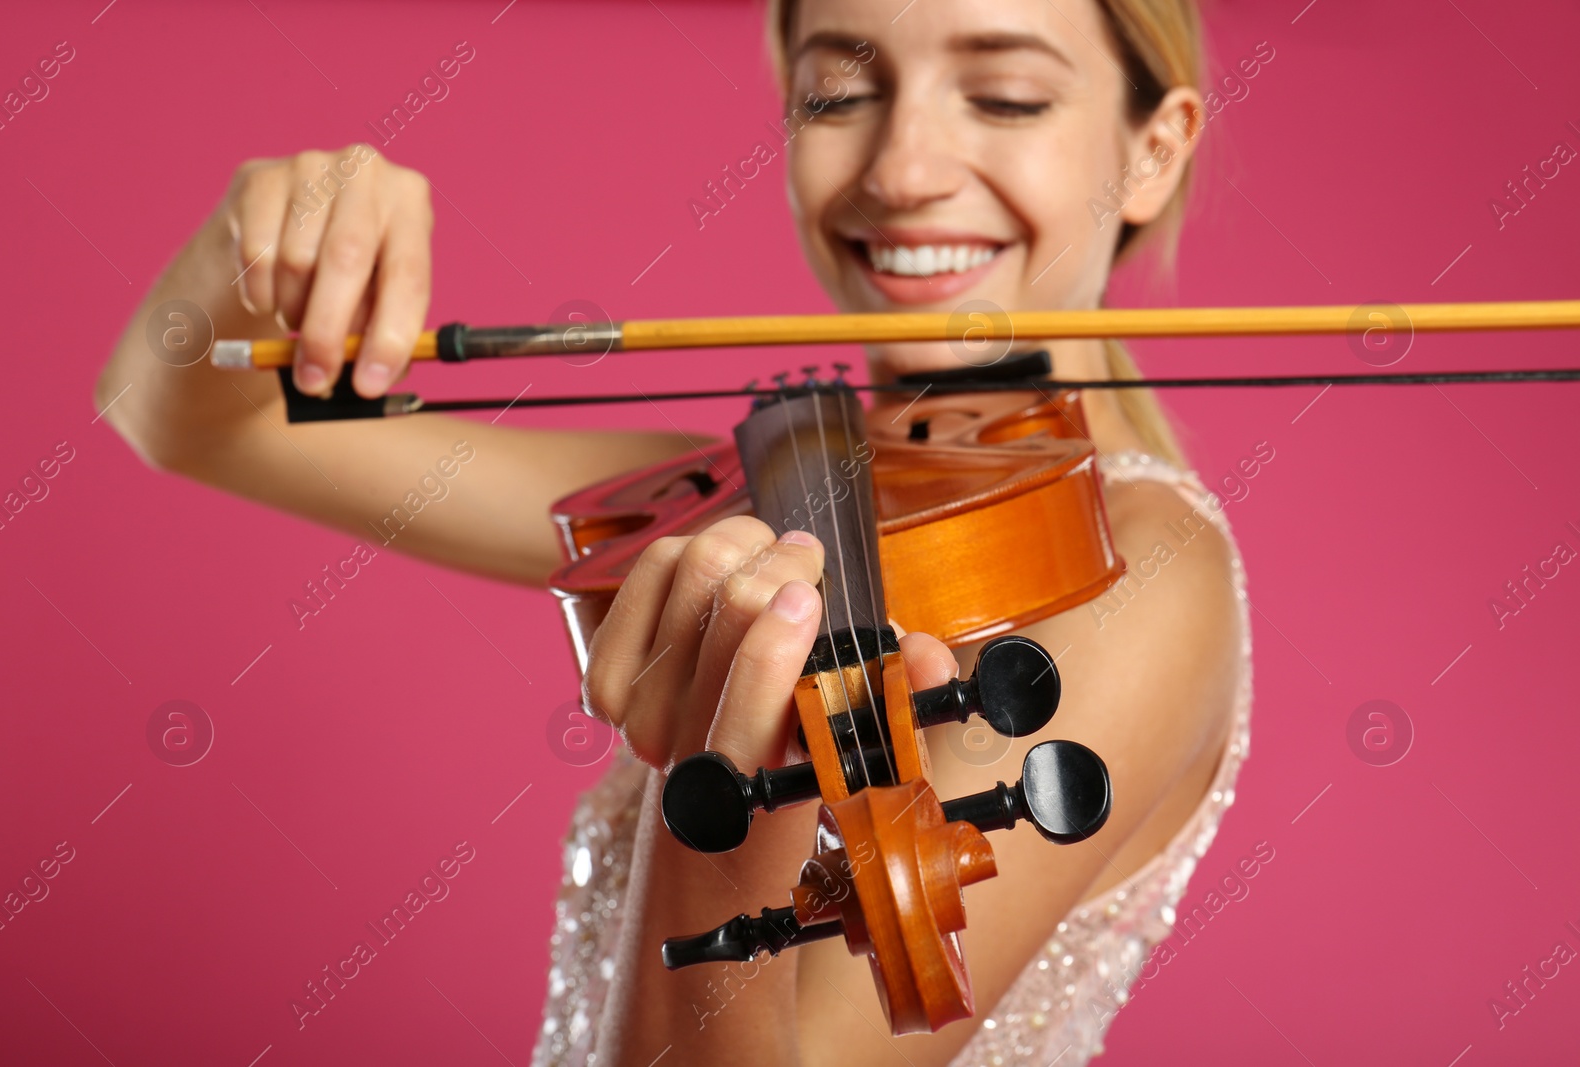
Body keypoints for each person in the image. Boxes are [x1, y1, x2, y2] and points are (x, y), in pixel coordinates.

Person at [95, 1, 1249, 1063]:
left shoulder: (1132, 568)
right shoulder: (769, 491)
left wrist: (721, 805)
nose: (900, 171)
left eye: (1005, 97)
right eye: (838, 95)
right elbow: (185, 416)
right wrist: (272, 238)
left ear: (1152, 148)